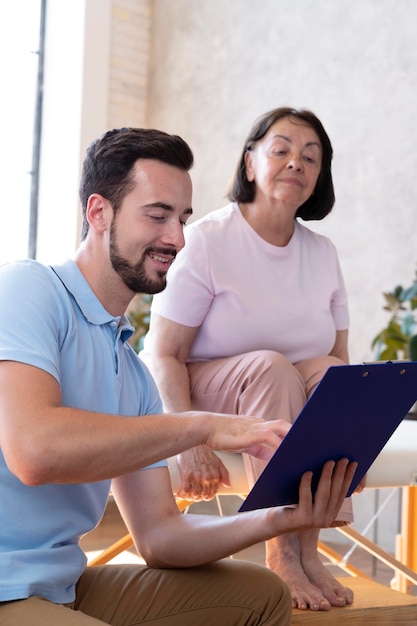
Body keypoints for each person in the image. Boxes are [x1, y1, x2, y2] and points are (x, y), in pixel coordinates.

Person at [0, 127, 357, 626]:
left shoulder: (130, 372)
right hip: (6, 590)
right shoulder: (29, 289)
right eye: (157, 215)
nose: (177, 238)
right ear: (98, 213)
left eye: (183, 218)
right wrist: (202, 426)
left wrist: (279, 518)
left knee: (261, 594)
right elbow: (34, 452)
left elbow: (160, 537)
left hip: (61, 585)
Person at [142, 107, 355, 612]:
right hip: (208, 388)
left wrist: (355, 439)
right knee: (271, 366)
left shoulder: (323, 252)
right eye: (280, 150)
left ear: (319, 175)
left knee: (331, 374)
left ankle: (309, 545)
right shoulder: (209, 240)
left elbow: (340, 358)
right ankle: (281, 548)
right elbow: (164, 351)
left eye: (310, 156)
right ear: (250, 162)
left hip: (281, 388)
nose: (295, 164)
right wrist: (186, 436)